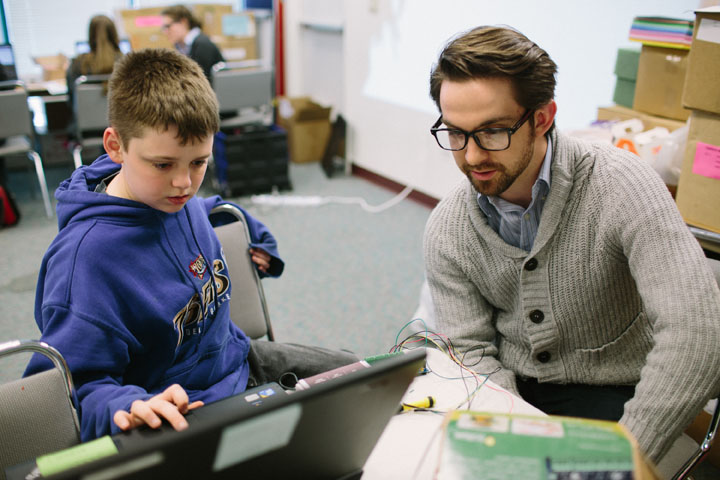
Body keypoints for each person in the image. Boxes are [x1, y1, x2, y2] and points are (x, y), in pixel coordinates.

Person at [423, 25, 720, 465]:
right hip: (511, 394)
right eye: (456, 133)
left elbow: (698, 333)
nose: (470, 157)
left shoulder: (623, 186)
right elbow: (470, 353)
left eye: (492, 132)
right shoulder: (448, 228)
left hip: (617, 394)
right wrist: (511, 440)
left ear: (542, 118)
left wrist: (622, 459)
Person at [25, 48, 356, 441]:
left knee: (359, 377)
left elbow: (215, 208)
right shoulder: (86, 262)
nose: (184, 182)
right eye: (163, 165)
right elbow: (68, 391)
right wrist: (126, 405)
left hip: (238, 359)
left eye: (199, 162)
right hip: (183, 408)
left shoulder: (171, 197)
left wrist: (257, 238)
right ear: (115, 146)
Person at [66, 14, 122, 117]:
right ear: (114, 35)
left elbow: (71, 101)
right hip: (121, 128)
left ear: (90, 36)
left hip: (84, 128)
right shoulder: (126, 62)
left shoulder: (77, 64)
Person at [161, 5, 224, 82]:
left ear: (183, 22)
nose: (165, 32)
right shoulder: (181, 46)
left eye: (168, 26)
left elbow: (198, 81)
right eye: (164, 28)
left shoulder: (202, 45)